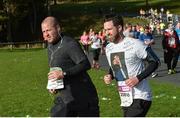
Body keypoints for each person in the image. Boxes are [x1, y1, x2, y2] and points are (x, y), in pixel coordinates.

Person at [103, 14, 160, 117]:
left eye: (109, 29)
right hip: (125, 97)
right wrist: (110, 75)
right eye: (105, 30)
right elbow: (115, 66)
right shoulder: (108, 48)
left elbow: (155, 61)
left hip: (140, 96)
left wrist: (138, 78)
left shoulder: (135, 44)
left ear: (119, 28)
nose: (107, 33)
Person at [41, 16, 99, 117]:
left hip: (84, 97)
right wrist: (53, 85)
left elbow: (85, 64)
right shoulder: (50, 47)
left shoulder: (69, 44)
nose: (46, 34)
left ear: (58, 28)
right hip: (66, 98)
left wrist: (64, 74)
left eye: (49, 30)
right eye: (44, 31)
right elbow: (57, 68)